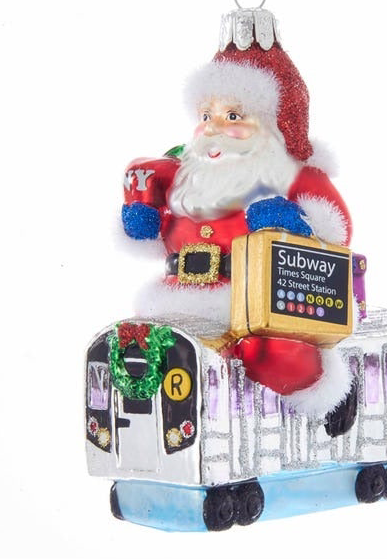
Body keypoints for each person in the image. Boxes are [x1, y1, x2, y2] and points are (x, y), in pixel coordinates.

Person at [121, 33, 357, 432]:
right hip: (177, 299)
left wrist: (295, 224)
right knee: (144, 352)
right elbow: (150, 215)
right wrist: (141, 216)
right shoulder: (183, 179)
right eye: (206, 115)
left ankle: (324, 395)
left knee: (266, 354)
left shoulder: (293, 176)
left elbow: (337, 230)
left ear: (272, 126)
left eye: (233, 116)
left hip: (256, 305)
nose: (213, 128)